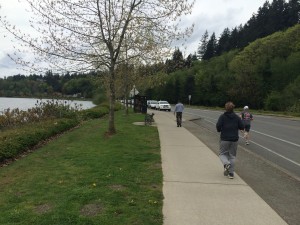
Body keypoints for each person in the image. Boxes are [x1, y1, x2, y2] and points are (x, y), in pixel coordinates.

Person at [216, 101, 244, 179]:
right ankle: (231, 173)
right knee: (232, 156)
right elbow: (242, 127)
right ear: (233, 108)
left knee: (222, 154)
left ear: (226, 108)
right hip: (234, 139)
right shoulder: (237, 117)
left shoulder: (222, 117)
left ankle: (226, 163)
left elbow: (218, 125)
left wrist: (219, 130)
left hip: (225, 138)